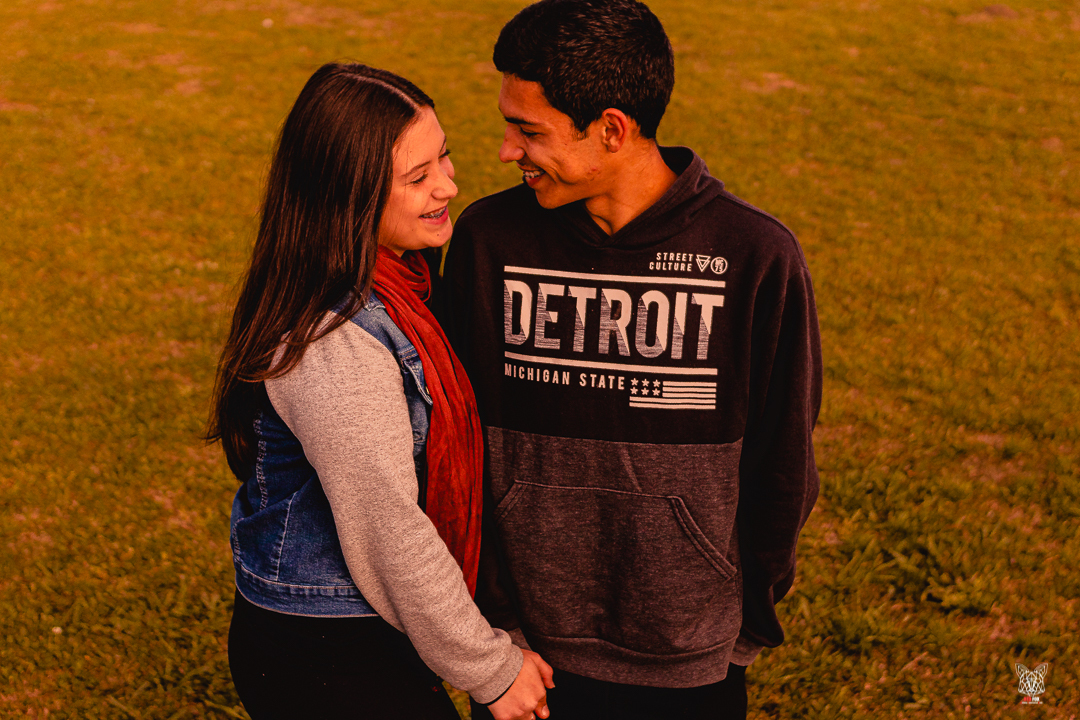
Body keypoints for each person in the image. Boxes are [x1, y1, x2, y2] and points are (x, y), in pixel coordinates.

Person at [438, 2, 822, 718]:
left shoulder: (754, 257)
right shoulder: (490, 242)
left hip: (690, 658)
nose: (507, 151)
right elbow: (452, 443)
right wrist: (493, 621)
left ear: (612, 129)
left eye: (530, 131)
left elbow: (784, 463)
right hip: (525, 658)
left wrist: (743, 629)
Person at [207, 62, 554, 719]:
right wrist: (491, 668)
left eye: (443, 157)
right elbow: (387, 529)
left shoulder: (401, 282)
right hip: (326, 650)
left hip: (359, 634)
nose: (448, 185)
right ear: (348, 197)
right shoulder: (337, 340)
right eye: (417, 178)